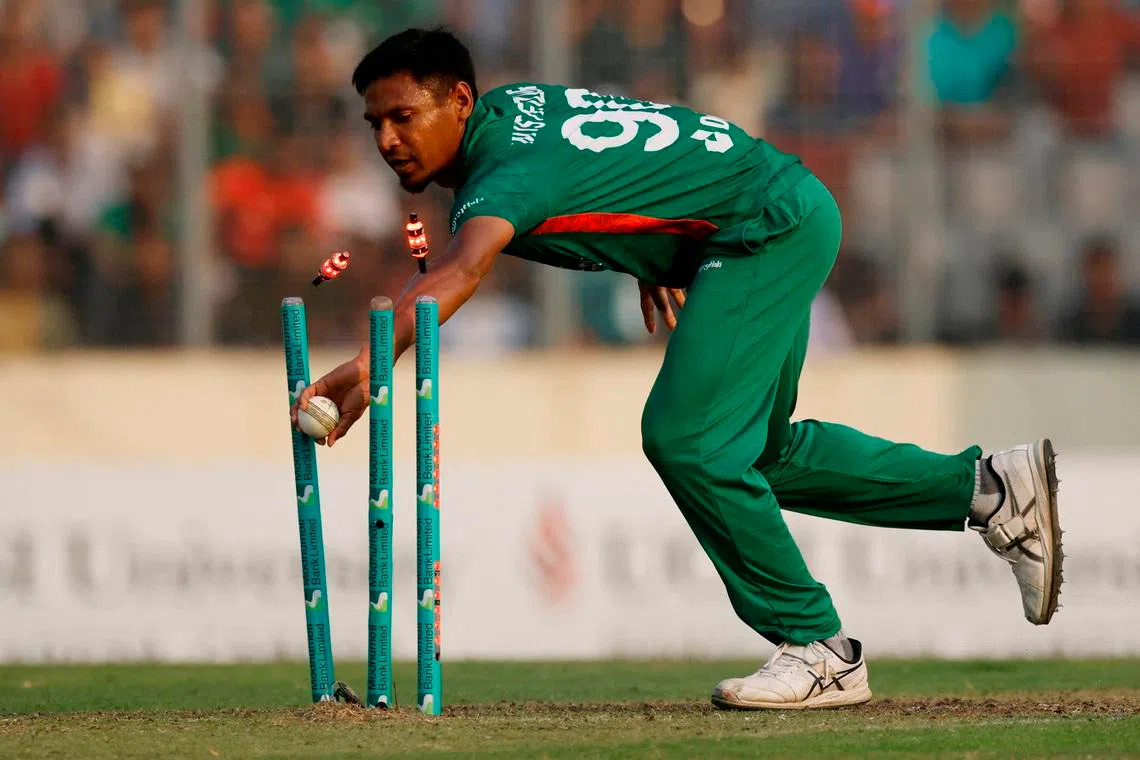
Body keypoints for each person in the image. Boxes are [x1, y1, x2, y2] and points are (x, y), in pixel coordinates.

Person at [291, 29, 1063, 710]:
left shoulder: (502, 179)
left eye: (403, 117)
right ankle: (991, 491)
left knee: (685, 437)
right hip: (764, 210)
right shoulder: (518, 104)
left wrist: (366, 367)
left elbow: (457, 273)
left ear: (459, 101)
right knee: (758, 456)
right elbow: (629, 141)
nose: (388, 140)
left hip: (759, 230)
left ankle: (817, 647)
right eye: (375, 124)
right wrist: (655, 243)